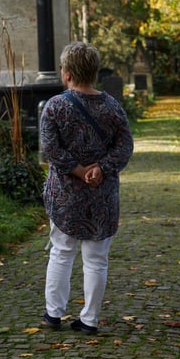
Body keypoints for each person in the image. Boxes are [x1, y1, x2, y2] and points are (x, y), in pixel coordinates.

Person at [39, 41, 134, 334]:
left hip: (66, 195)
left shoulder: (55, 107)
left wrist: (78, 171)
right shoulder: (112, 106)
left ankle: (53, 315)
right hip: (101, 195)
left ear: (66, 74)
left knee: (61, 251)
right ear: (94, 73)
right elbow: (125, 145)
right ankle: (90, 320)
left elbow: (50, 149)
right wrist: (100, 169)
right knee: (96, 259)